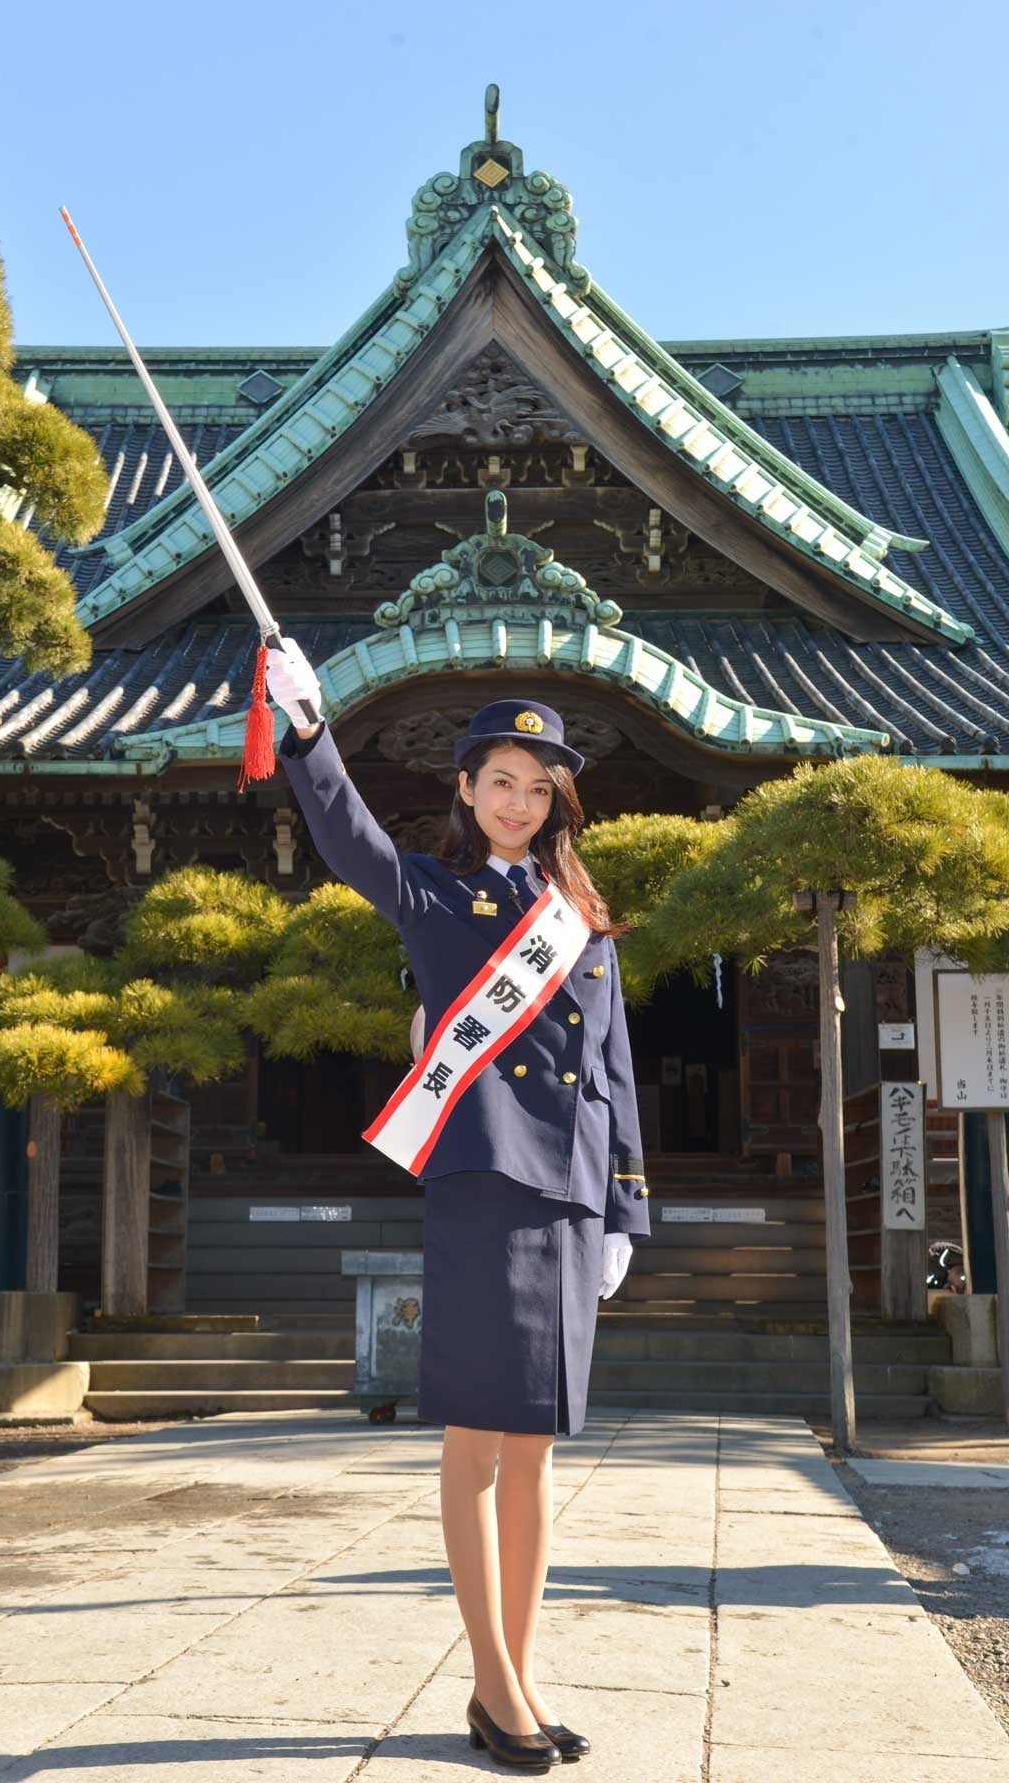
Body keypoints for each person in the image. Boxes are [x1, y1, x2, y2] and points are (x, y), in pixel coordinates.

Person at [265, 638, 650, 1771]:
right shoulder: (434, 893)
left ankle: (518, 1681)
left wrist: (627, 1208)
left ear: (557, 801)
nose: (520, 802)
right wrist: (307, 732)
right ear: (467, 790)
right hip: (488, 1181)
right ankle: (492, 1686)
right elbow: (349, 841)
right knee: (478, 1444)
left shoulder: (579, 913)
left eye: (540, 789)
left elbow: (616, 1066)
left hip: (574, 1196)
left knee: (535, 1454)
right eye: (501, 783)